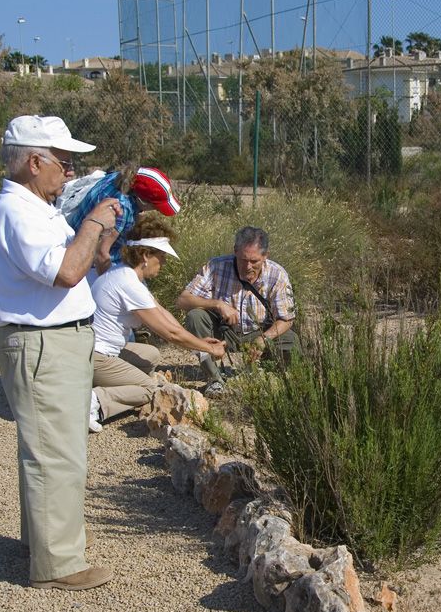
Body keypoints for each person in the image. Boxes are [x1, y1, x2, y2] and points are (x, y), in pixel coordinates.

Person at [0, 114, 119, 592]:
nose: (69, 171)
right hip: (44, 344)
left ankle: (40, 543)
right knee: (56, 454)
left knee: (50, 448)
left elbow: (81, 265)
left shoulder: (35, 209)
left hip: (56, 341)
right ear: (34, 161)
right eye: (63, 162)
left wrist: (98, 241)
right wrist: (92, 222)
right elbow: (64, 271)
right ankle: (58, 564)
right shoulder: (18, 212)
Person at [89, 215, 227, 431]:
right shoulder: (128, 284)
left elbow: (162, 313)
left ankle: (105, 384)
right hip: (96, 357)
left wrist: (197, 340)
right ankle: (93, 402)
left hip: (95, 350)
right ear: (145, 255)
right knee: (149, 389)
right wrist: (209, 348)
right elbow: (169, 334)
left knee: (150, 355)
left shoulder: (126, 275)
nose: (163, 262)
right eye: (161, 256)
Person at [175, 226, 299, 397]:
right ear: (235, 251)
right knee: (195, 317)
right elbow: (183, 300)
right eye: (242, 259)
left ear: (265, 256)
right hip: (225, 333)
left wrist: (263, 339)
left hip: (259, 332)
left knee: (291, 340)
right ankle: (214, 379)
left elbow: (286, 319)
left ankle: (273, 376)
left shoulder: (277, 275)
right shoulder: (216, 267)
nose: (248, 266)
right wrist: (218, 304)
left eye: (254, 261)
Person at [57, 166, 182, 280]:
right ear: (142, 200)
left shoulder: (120, 179)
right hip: (91, 268)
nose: (156, 210)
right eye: (155, 206)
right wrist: (111, 284)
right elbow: (101, 254)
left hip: (75, 233)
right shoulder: (121, 210)